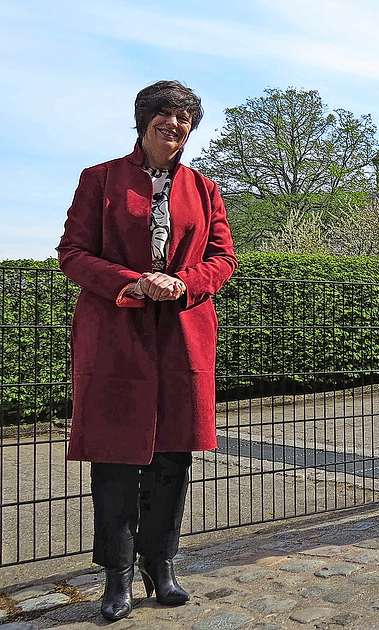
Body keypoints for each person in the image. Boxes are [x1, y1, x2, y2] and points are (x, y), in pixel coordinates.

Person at [56, 81, 236, 621]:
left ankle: (162, 566)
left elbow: (223, 258)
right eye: (164, 115)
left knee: (171, 458)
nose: (174, 125)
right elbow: (72, 253)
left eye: (183, 118)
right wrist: (133, 281)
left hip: (181, 334)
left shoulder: (205, 190)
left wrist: (183, 283)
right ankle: (116, 576)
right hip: (116, 333)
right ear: (143, 120)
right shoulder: (100, 179)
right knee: (114, 460)